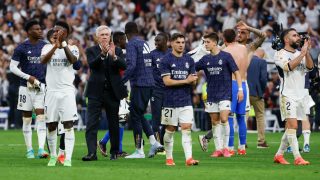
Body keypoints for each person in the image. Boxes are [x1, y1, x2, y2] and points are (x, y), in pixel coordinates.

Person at [198, 21, 266, 153]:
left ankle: (229, 147)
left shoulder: (225, 50)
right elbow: (263, 36)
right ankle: (241, 147)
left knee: (228, 117)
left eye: (243, 32)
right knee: (241, 117)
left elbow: (215, 50)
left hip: (231, 84)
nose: (240, 34)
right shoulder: (248, 49)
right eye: (239, 33)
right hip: (243, 85)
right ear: (235, 37)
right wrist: (248, 27)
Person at [82, 26, 127, 161]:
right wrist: (102, 55)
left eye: (107, 34)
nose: (104, 37)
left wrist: (113, 56)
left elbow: (124, 65)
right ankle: (91, 153)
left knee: (113, 123)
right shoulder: (91, 50)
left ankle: (114, 152)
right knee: (91, 123)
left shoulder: (117, 50)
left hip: (112, 92)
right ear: (97, 37)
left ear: (110, 36)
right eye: (102, 34)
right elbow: (92, 65)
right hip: (95, 91)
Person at [196, 32, 243, 158]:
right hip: (211, 94)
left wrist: (240, 89)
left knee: (224, 119)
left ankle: (226, 148)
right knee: (215, 122)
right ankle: (218, 149)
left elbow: (237, 72)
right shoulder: (205, 59)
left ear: (215, 43)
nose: (205, 44)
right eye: (204, 42)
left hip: (225, 93)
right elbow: (192, 68)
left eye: (207, 42)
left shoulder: (226, 56)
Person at [122, 22, 163, 159]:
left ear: (126, 33)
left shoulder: (131, 44)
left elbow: (132, 65)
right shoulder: (144, 42)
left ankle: (139, 150)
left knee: (135, 116)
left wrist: (121, 80)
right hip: (149, 83)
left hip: (140, 84)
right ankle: (154, 142)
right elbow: (151, 63)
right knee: (138, 114)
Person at [41, 21, 79, 167]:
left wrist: (62, 45)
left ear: (66, 33)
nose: (56, 32)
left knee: (68, 125)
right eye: (55, 30)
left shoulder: (72, 48)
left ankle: (67, 158)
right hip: (51, 91)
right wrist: (55, 47)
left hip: (67, 92)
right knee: (51, 125)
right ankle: (53, 156)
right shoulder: (47, 47)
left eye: (59, 31)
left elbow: (73, 61)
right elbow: (43, 61)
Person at [9, 20, 48, 159]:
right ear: (29, 32)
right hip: (25, 87)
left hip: (41, 87)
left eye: (40, 29)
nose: (40, 31)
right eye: (37, 29)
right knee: (26, 120)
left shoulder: (46, 46)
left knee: (41, 118)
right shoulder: (21, 48)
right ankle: (29, 149)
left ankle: (41, 149)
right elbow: (12, 67)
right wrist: (28, 77)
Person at [273, 28, 312, 165]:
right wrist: (302, 54)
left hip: (301, 94)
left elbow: (310, 68)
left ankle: (279, 155)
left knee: (291, 126)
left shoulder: (299, 53)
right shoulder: (279, 54)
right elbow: (288, 67)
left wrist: (306, 53)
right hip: (287, 95)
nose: (298, 38)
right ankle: (297, 158)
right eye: (294, 36)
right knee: (293, 125)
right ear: (286, 39)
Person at [160, 33, 199, 166]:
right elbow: (167, 82)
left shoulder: (189, 60)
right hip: (169, 101)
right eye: (178, 42)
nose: (181, 45)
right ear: (171, 43)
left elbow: (193, 80)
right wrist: (186, 80)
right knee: (170, 130)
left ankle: (189, 158)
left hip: (185, 100)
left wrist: (194, 81)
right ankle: (169, 158)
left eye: (183, 42)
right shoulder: (165, 60)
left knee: (186, 128)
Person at [98, 31, 129, 158]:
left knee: (121, 119)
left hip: (120, 89)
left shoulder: (119, 52)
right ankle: (106, 143)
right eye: (124, 39)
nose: (125, 42)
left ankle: (113, 146)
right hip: (116, 89)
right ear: (119, 40)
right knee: (120, 119)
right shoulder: (118, 51)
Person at [150, 32, 170, 149]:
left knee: (167, 120)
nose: (156, 43)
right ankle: (157, 145)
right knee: (156, 119)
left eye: (159, 40)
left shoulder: (172, 54)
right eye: (155, 40)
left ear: (166, 40)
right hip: (156, 90)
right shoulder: (152, 55)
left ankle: (161, 142)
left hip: (169, 91)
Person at [247, 49, 268, 148]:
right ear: (262, 54)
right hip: (257, 92)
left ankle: (242, 142)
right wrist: (262, 91)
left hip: (244, 92)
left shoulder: (245, 59)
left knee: (243, 117)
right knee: (260, 116)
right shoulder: (262, 61)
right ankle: (261, 141)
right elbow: (263, 78)